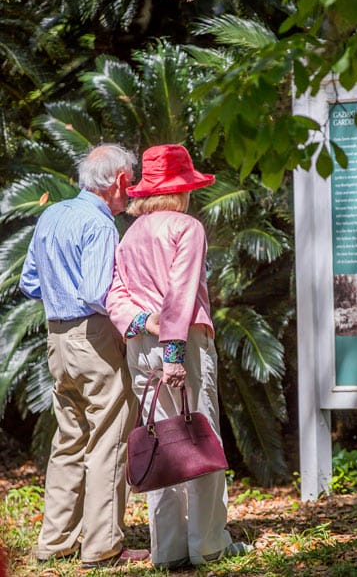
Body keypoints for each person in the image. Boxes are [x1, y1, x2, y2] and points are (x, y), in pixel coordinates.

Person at [106, 143, 251, 569]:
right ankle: (208, 545)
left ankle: (167, 549)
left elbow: (115, 296)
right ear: (180, 189)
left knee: (159, 441)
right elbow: (181, 293)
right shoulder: (187, 227)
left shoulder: (130, 235)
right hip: (183, 345)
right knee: (200, 436)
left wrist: (142, 323)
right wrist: (172, 350)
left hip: (140, 347)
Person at [19, 144, 150, 568]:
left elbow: (29, 282)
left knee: (69, 438)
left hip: (56, 337)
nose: (132, 189)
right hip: (93, 337)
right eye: (131, 180)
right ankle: (103, 547)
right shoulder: (100, 224)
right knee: (110, 437)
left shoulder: (51, 215)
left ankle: (55, 541)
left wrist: (60, 292)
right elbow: (97, 293)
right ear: (119, 181)